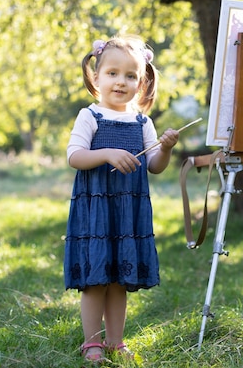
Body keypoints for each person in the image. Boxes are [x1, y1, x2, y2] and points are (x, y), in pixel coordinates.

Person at [64, 35, 179, 365]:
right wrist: (107, 154)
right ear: (96, 77)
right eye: (112, 73)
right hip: (96, 211)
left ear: (141, 84)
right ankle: (92, 343)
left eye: (131, 76)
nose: (121, 82)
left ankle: (115, 341)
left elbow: (155, 165)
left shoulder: (143, 122)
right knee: (95, 279)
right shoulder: (90, 116)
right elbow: (75, 156)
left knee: (118, 280)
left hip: (128, 213)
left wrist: (166, 149)